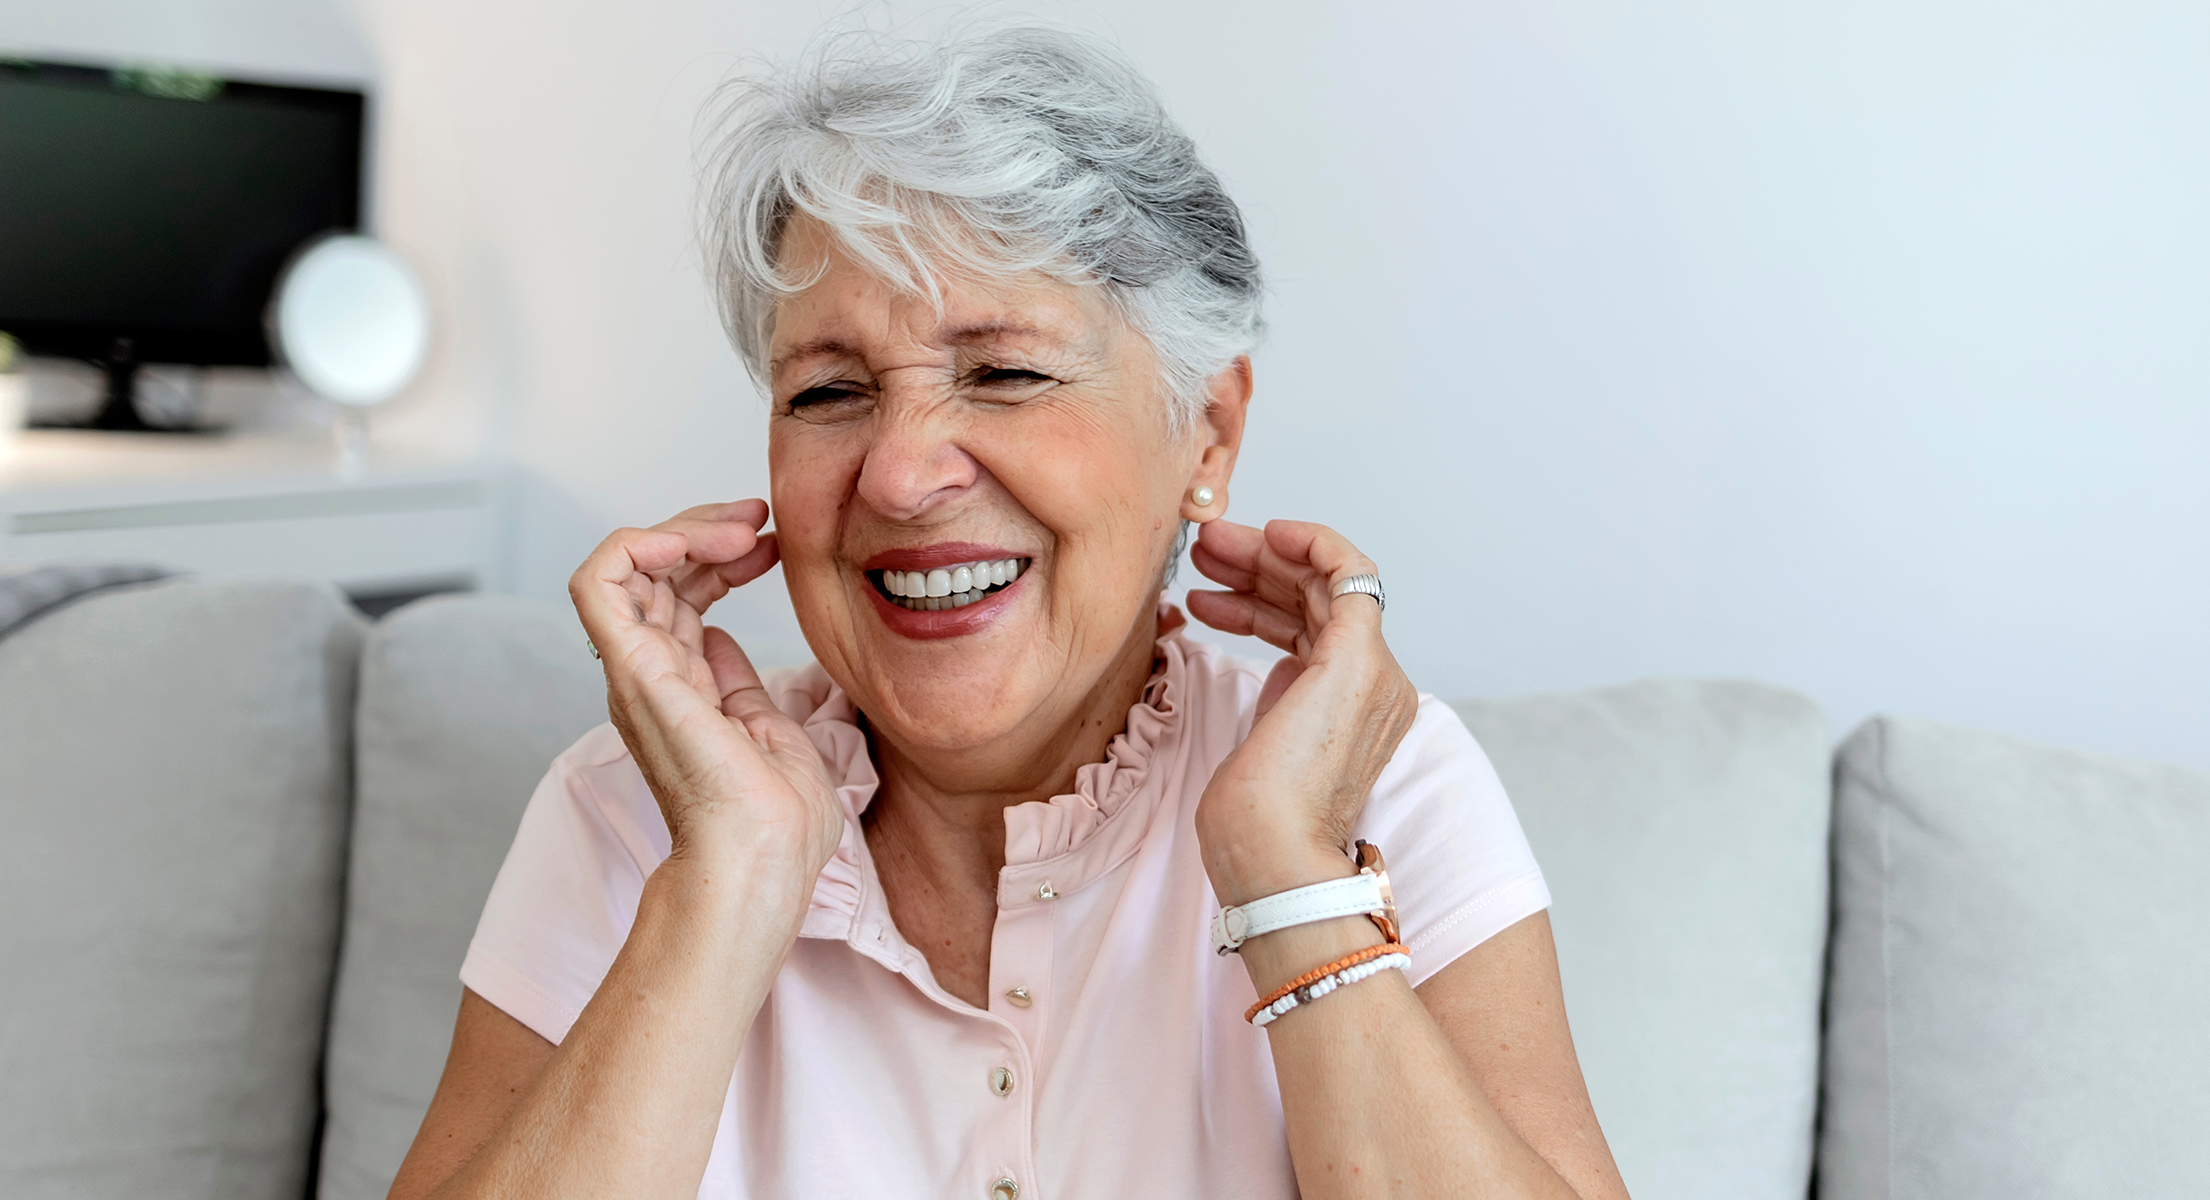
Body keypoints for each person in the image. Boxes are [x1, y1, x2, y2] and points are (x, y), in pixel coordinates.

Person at [392, 25, 1628, 1200]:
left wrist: (1287, 876)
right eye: (828, 392)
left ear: (1209, 428)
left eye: (1006, 374)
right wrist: (729, 880)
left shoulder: (1375, 789)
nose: (898, 471)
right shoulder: (628, 815)